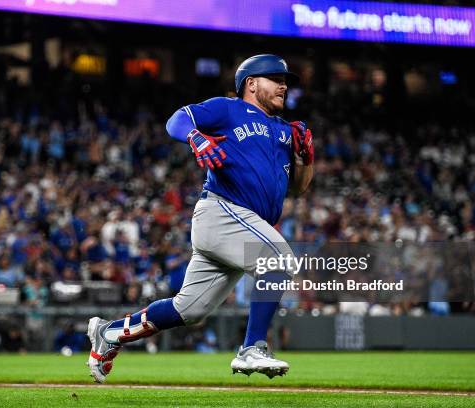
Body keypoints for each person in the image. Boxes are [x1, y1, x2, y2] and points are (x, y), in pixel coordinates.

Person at [87, 54, 314, 383]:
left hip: (241, 226)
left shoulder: (283, 130)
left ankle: (109, 334)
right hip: (223, 211)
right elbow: (177, 119)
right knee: (278, 260)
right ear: (251, 83)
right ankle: (252, 348)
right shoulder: (229, 108)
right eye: (274, 78)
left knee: (188, 310)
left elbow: (299, 188)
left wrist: (306, 157)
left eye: (285, 80)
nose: (283, 85)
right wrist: (196, 137)